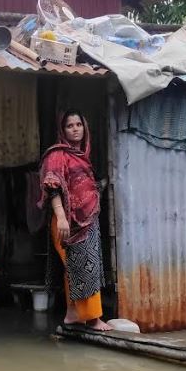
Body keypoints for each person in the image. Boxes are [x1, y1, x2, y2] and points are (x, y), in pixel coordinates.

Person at [39, 110, 112, 331]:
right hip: (67, 222)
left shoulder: (82, 155)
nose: (75, 129)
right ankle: (93, 319)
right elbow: (52, 187)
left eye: (78, 124)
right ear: (63, 130)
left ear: (84, 127)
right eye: (70, 125)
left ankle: (72, 314)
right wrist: (61, 216)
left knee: (76, 267)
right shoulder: (57, 155)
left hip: (87, 220)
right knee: (84, 267)